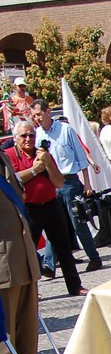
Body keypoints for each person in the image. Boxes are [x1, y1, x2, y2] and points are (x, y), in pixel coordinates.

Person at [5, 122, 85, 297]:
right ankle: (31, 292)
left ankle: (75, 286)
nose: (28, 139)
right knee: (28, 252)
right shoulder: (9, 156)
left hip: (51, 204)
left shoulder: (43, 154)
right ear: (15, 138)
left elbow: (59, 182)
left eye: (32, 135)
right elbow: (11, 180)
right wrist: (34, 170)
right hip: (28, 209)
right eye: (24, 136)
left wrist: (47, 164)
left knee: (64, 247)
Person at [30, 100, 103, 272]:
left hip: (69, 182)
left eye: (39, 114)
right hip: (50, 183)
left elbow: (81, 157)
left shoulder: (65, 130)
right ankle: (49, 263)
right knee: (53, 224)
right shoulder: (38, 134)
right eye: (34, 116)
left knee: (78, 223)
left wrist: (87, 183)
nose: (37, 118)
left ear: (48, 112)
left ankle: (94, 257)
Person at [0, 148, 43, 354]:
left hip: (22, 258)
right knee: (5, 338)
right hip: (2, 263)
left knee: (26, 330)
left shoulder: (2, 158)